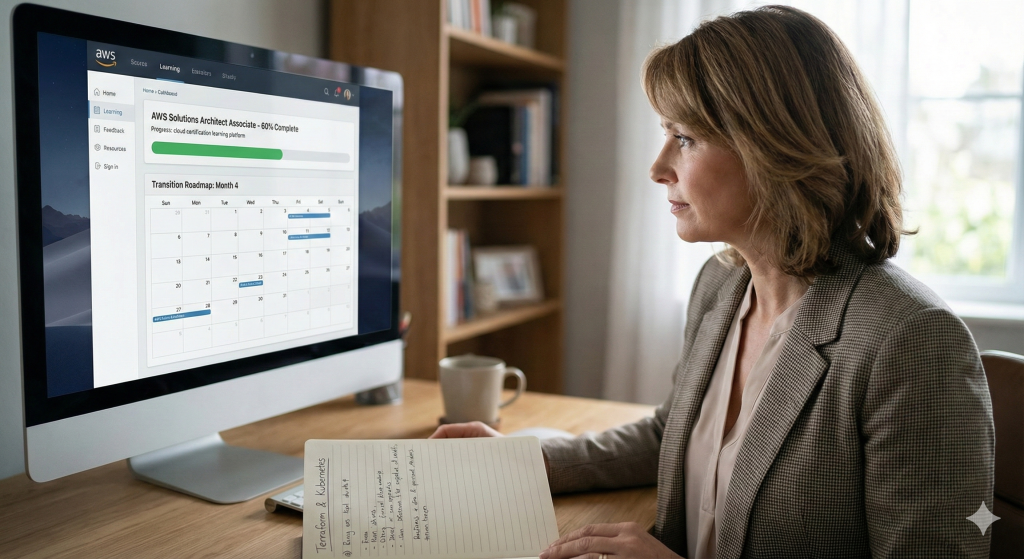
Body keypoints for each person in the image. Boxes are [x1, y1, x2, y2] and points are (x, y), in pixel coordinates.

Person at [431, 5, 995, 558]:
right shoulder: (721, 286)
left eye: (685, 138)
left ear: (775, 147)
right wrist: (525, 462)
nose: (657, 167)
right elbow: (669, 435)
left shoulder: (912, 341)